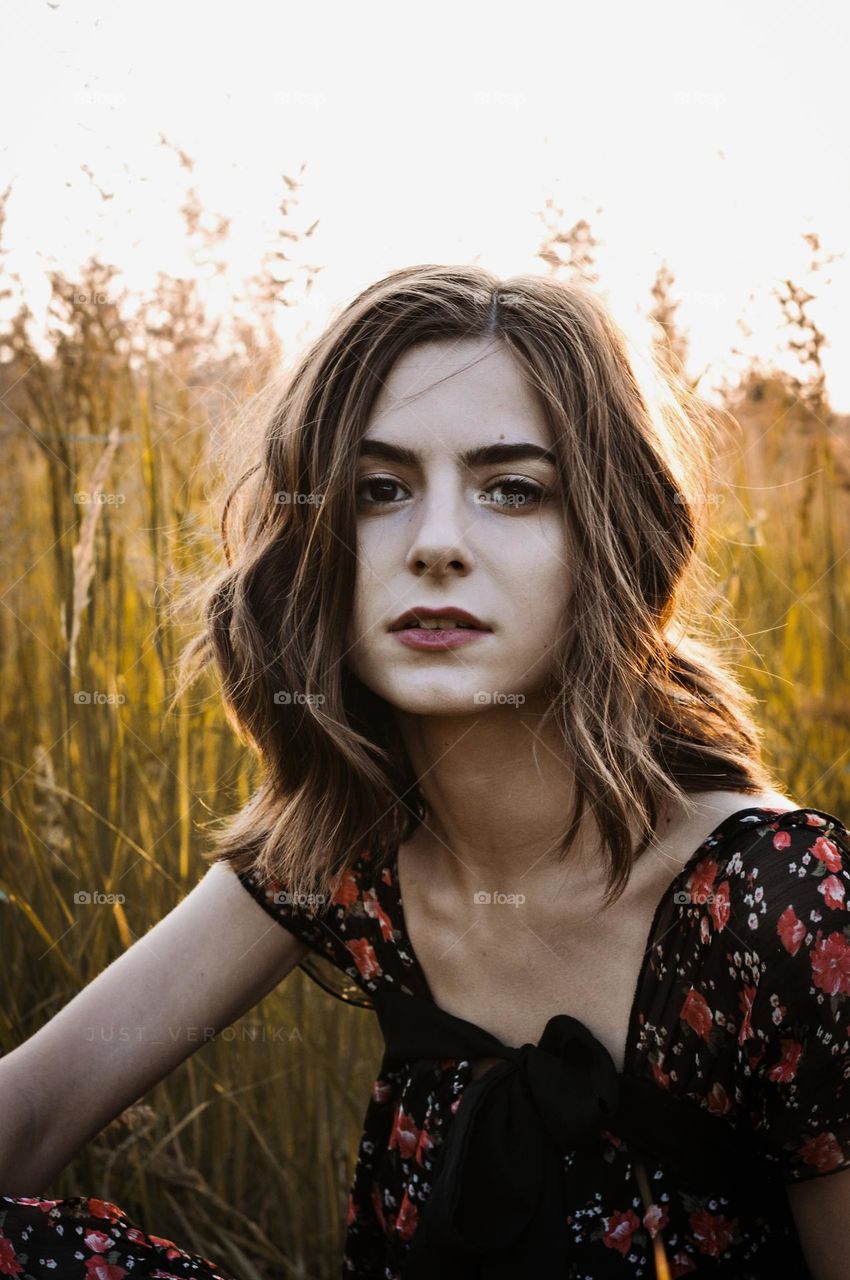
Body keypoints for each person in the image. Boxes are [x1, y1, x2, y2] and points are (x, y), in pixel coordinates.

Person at [2, 264, 849, 1279]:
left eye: (512, 489)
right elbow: (36, 1107)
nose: (436, 544)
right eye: (380, 490)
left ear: (610, 536)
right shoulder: (345, 846)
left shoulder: (782, 902)